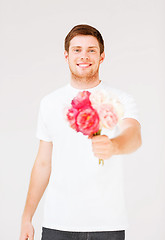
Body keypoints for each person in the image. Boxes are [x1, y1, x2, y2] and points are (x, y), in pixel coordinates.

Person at [19, 24, 142, 240]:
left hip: (107, 225)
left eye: (91, 50)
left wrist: (114, 146)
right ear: (66, 56)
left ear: (102, 56)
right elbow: (42, 163)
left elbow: (134, 136)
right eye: (77, 50)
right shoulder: (49, 103)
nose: (84, 56)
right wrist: (27, 217)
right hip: (58, 223)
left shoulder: (120, 99)